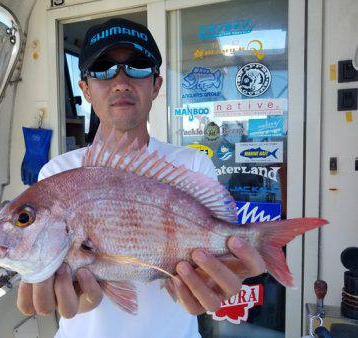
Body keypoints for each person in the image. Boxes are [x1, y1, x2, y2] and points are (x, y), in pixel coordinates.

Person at [17, 18, 265, 338]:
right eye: (104, 69)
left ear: (156, 85)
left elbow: (209, 267)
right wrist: (60, 293)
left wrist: (216, 282)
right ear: (85, 90)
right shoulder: (57, 173)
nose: (121, 81)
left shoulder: (193, 164)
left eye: (136, 67)